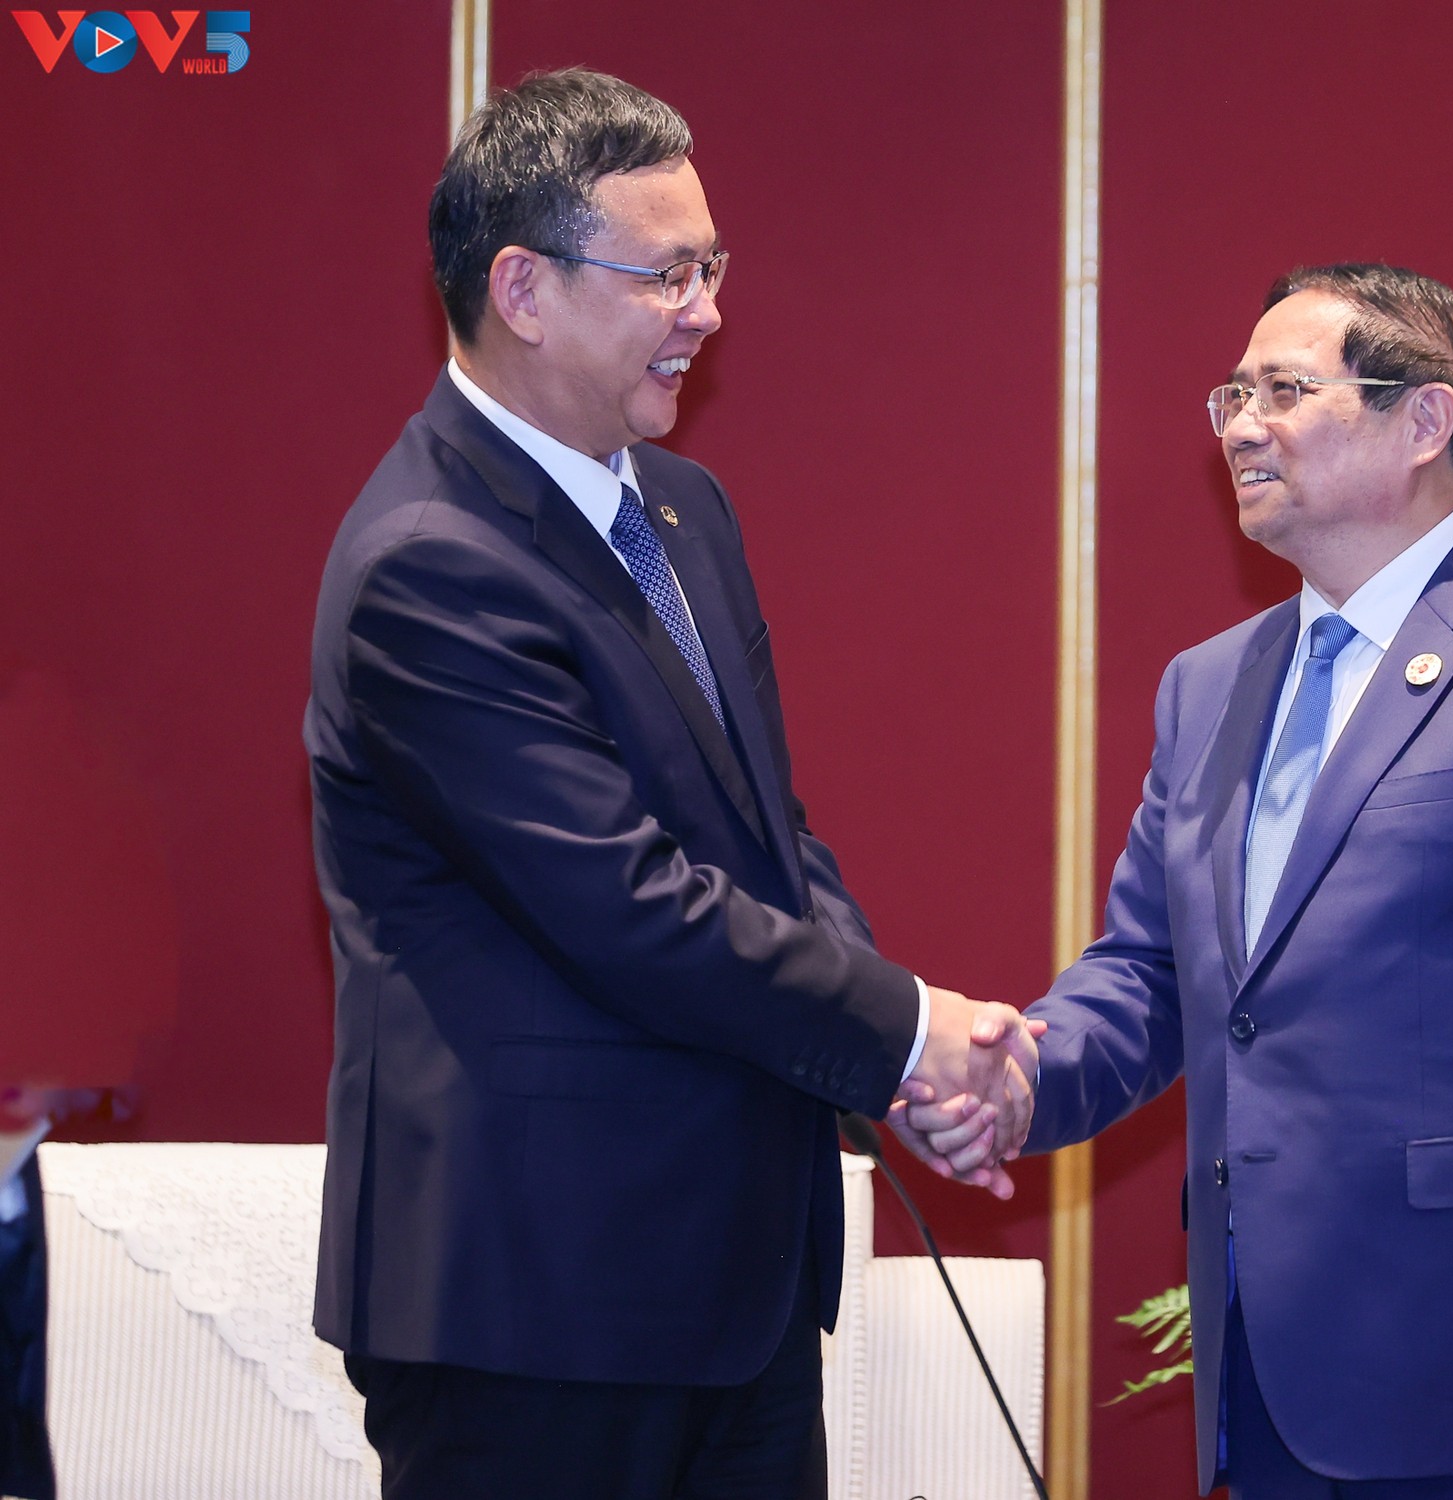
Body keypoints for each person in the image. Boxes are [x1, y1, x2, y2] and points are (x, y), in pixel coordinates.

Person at [307, 68, 1034, 1500]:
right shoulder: (430, 565)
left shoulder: (684, 510)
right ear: (522, 289)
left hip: (735, 1288)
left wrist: (889, 1047)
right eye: (667, 274)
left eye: (713, 268)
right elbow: (629, 906)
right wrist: (906, 1034)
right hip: (538, 1306)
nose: (706, 312)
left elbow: (767, 834)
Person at [897, 265, 1453, 1496]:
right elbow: (1150, 973)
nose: (1239, 426)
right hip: (1277, 1376)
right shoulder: (1208, 684)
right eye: (1230, 395)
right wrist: (1014, 1080)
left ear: (1424, 420)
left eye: (1282, 391)